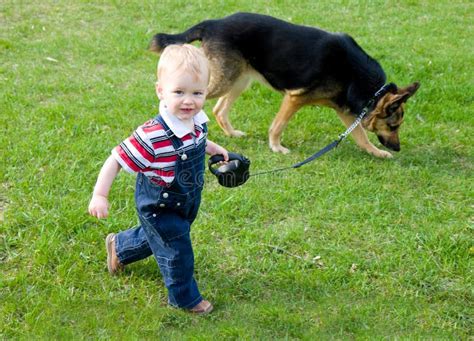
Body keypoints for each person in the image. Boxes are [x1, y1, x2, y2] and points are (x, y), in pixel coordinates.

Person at [88, 44, 228, 314]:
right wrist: (100, 195)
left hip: (186, 200)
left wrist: (214, 148)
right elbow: (116, 159)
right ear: (160, 91)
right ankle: (184, 298)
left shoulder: (197, 119)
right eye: (179, 92)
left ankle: (120, 246)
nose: (189, 101)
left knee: (164, 237)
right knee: (177, 250)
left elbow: (198, 138)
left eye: (197, 93)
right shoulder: (152, 135)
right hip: (158, 204)